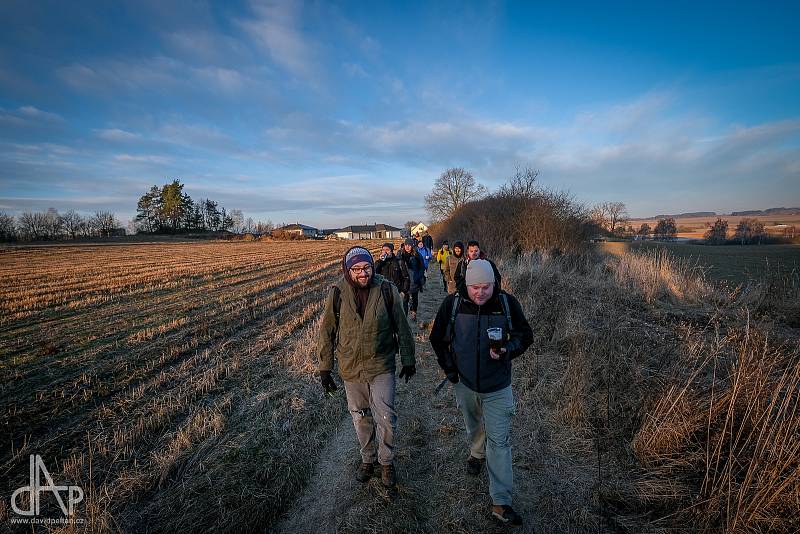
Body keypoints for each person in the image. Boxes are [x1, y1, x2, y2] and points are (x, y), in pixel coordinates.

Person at [429, 259, 533, 526]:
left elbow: (525, 335)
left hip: (498, 386)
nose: (480, 293)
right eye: (475, 287)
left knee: (499, 442)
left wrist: (508, 350)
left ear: (494, 284)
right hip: (464, 384)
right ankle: (476, 453)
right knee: (473, 425)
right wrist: (450, 370)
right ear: (467, 285)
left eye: (486, 287)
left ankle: (501, 503)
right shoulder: (452, 305)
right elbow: (437, 339)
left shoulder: (506, 303)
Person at [317, 246, 416, 488]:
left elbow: (402, 327)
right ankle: (368, 459)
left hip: (381, 364)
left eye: (367, 267)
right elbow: (327, 330)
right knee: (360, 417)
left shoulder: (385, 289)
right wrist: (325, 367)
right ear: (347, 270)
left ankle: (386, 462)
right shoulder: (338, 292)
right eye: (357, 269)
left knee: (385, 416)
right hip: (351, 368)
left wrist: (408, 359)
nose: (363, 274)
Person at [399, 238, 425, 321]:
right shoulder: (400, 255)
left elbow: (422, 267)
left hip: (414, 279)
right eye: (406, 245)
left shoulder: (417, 255)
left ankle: (414, 312)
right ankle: (405, 317)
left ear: (412, 246)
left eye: (409, 245)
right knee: (405, 299)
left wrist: (418, 276)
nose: (407, 247)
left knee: (414, 298)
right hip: (404, 279)